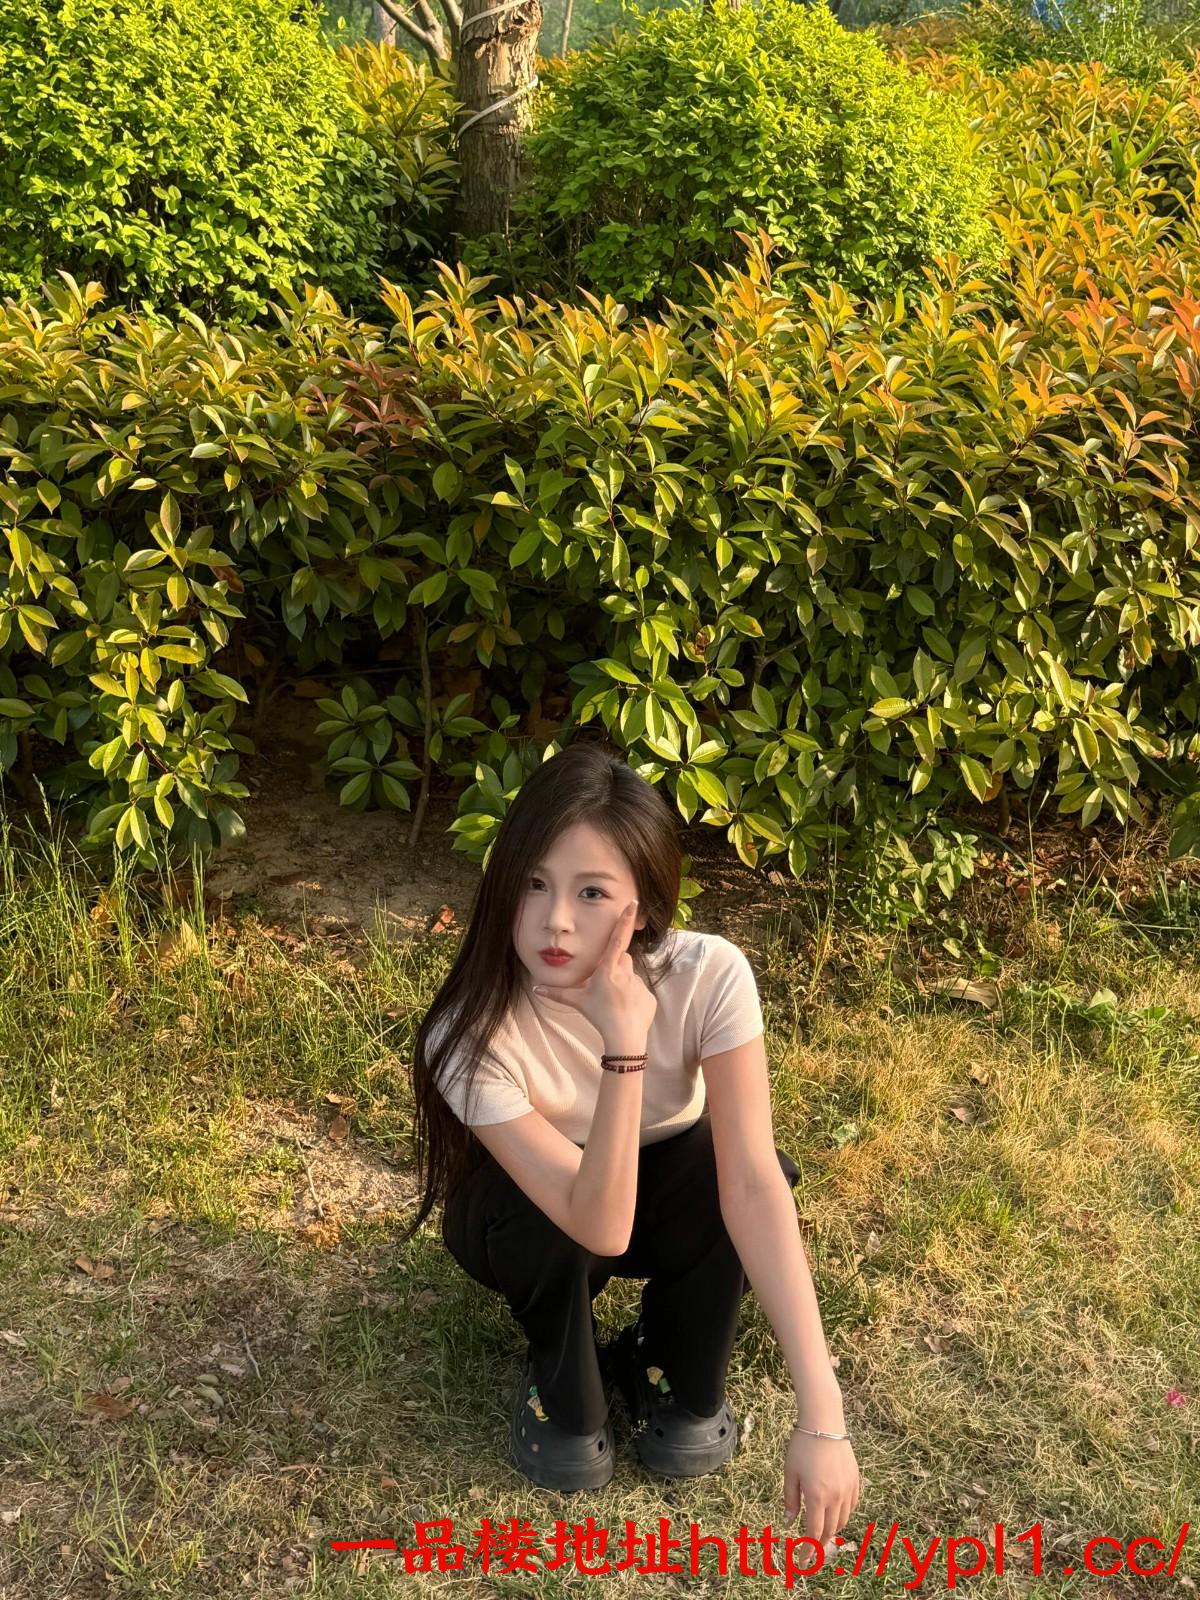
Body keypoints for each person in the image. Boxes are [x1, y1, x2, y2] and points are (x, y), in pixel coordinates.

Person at [401, 738, 860, 1547]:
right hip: (531, 1219)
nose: (555, 920)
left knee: (732, 1165)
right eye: (533, 883)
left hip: (660, 1192)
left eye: (591, 892)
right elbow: (598, 1225)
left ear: (641, 908)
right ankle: (559, 1378)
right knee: (571, 1421)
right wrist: (624, 1047)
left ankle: (663, 1355)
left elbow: (754, 1183)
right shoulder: (467, 1033)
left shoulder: (709, 975)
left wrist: (823, 1418)